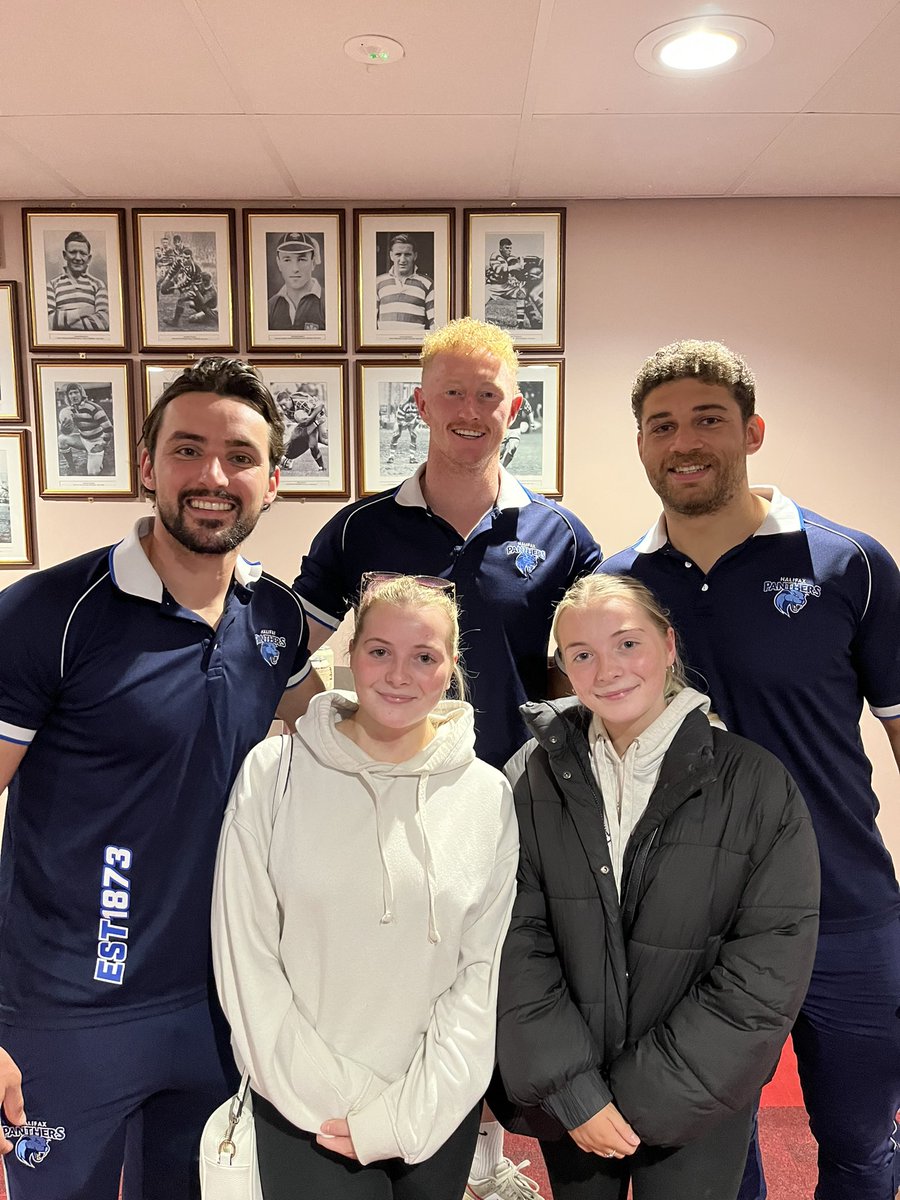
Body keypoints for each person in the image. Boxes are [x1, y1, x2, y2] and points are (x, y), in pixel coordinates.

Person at [0, 357, 322, 1199]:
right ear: (147, 466)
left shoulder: (279, 620)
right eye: (188, 450)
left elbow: (334, 754)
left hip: (219, 1008)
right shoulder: (48, 615)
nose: (214, 477)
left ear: (274, 480)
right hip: (65, 1011)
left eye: (240, 457)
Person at [294, 316, 602, 1199]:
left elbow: (581, 676)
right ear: (421, 404)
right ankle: (407, 1148)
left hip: (516, 804)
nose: (471, 411)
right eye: (452, 394)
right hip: (391, 800)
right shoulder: (359, 531)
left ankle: (483, 1162)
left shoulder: (560, 532)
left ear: (516, 408)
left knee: (502, 978)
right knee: (403, 973)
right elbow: (290, 656)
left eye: (489, 395)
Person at [601, 339, 900, 1200]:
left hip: (841, 907)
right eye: (662, 426)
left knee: (859, 1144)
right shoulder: (619, 583)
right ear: (643, 446)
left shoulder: (850, 563)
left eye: (707, 420)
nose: (684, 441)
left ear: (752, 431)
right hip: (692, 920)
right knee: (717, 1158)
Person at [495, 573, 820, 1200]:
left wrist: (645, 1099)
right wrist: (575, 1093)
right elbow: (513, 938)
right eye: (581, 655)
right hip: (573, 1096)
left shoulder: (755, 783)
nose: (607, 670)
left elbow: (769, 959)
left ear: (668, 645)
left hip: (698, 1098)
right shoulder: (532, 778)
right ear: (562, 667)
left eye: (626, 644)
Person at [212, 574, 518, 1200]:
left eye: (424, 656)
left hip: (433, 1109)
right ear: (350, 654)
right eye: (380, 651)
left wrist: (415, 1109)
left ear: (451, 666)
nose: (398, 675)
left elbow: (480, 975)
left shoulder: (487, 795)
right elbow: (244, 955)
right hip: (302, 1106)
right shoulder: (275, 773)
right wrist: (335, 1099)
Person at [46, 231, 109, 332]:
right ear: (65, 255)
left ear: (89, 258)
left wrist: (62, 321)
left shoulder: (98, 285)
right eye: (73, 252)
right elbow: (49, 321)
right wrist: (82, 312)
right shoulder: (52, 285)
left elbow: (103, 323)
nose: (78, 258)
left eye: (83, 253)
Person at [375, 234, 435, 332]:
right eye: (398, 254)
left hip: (415, 344)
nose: (402, 260)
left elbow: (435, 324)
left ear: (415, 256)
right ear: (391, 255)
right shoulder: (378, 282)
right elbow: (368, 322)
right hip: (385, 344)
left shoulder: (427, 283)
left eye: (407, 254)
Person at [267, 231, 325, 331]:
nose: (295, 268)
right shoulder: (270, 306)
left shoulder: (328, 302)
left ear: (313, 262)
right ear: (278, 263)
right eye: (287, 260)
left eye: (302, 259)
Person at [56, 382, 114, 476]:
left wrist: (103, 445)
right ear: (68, 396)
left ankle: (102, 456)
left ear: (81, 393)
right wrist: (63, 429)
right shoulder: (69, 411)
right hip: (83, 440)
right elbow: (66, 432)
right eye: (70, 393)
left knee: (92, 474)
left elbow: (108, 429)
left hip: (97, 441)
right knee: (61, 439)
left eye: (76, 392)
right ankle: (72, 468)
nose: (74, 395)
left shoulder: (93, 408)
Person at [385, 392, 420, 466]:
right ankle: (391, 457)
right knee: (396, 436)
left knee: (414, 437)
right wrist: (402, 425)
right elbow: (399, 419)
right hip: (400, 421)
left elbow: (418, 419)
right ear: (411, 402)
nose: (416, 405)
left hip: (411, 422)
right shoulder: (404, 406)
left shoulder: (419, 407)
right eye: (415, 403)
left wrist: (413, 428)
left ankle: (412, 458)